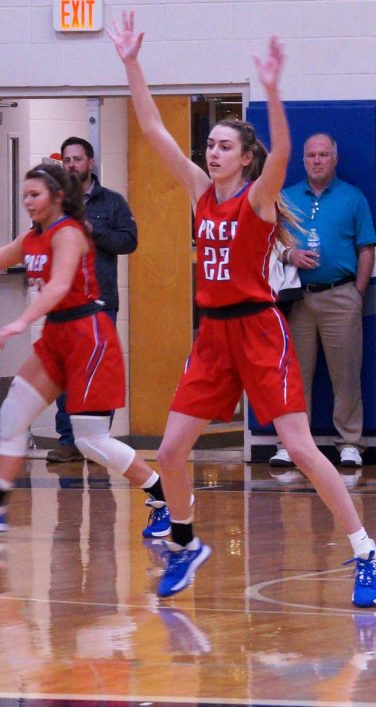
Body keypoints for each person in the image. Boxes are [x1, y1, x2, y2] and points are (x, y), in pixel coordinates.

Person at [108, 13, 376, 607]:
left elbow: (282, 149)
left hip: (259, 331)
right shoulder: (200, 192)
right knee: (171, 452)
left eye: (225, 145)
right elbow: (153, 130)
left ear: (245, 158)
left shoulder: (257, 199)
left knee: (302, 449)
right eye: (210, 144)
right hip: (212, 338)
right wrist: (131, 65)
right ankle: (185, 542)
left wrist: (274, 91)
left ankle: (365, 550)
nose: (213, 150)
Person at [0, 162, 169, 537]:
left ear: (58, 196)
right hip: (57, 336)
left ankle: (165, 497)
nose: (27, 202)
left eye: (34, 195)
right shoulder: (31, 237)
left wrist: (22, 319)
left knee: (90, 441)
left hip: (89, 336)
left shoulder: (68, 232)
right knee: (13, 414)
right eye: (25, 195)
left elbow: (58, 286)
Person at [269, 133, 376, 470]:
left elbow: (367, 249)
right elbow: (270, 246)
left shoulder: (353, 198)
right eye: (311, 155)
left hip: (341, 296)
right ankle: (291, 444)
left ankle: (349, 443)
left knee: (345, 373)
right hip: (297, 299)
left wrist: (356, 292)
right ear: (303, 160)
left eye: (323, 155)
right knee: (294, 374)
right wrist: (291, 254)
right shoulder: (285, 198)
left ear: (335, 159)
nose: (317, 160)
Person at [45, 136, 138, 465]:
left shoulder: (112, 202)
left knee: (98, 373)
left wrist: (91, 231)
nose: (71, 165)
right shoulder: (54, 201)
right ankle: (68, 440)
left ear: (90, 163)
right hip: (63, 303)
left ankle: (100, 442)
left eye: (77, 159)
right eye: (67, 160)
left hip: (101, 301)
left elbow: (129, 241)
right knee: (64, 373)